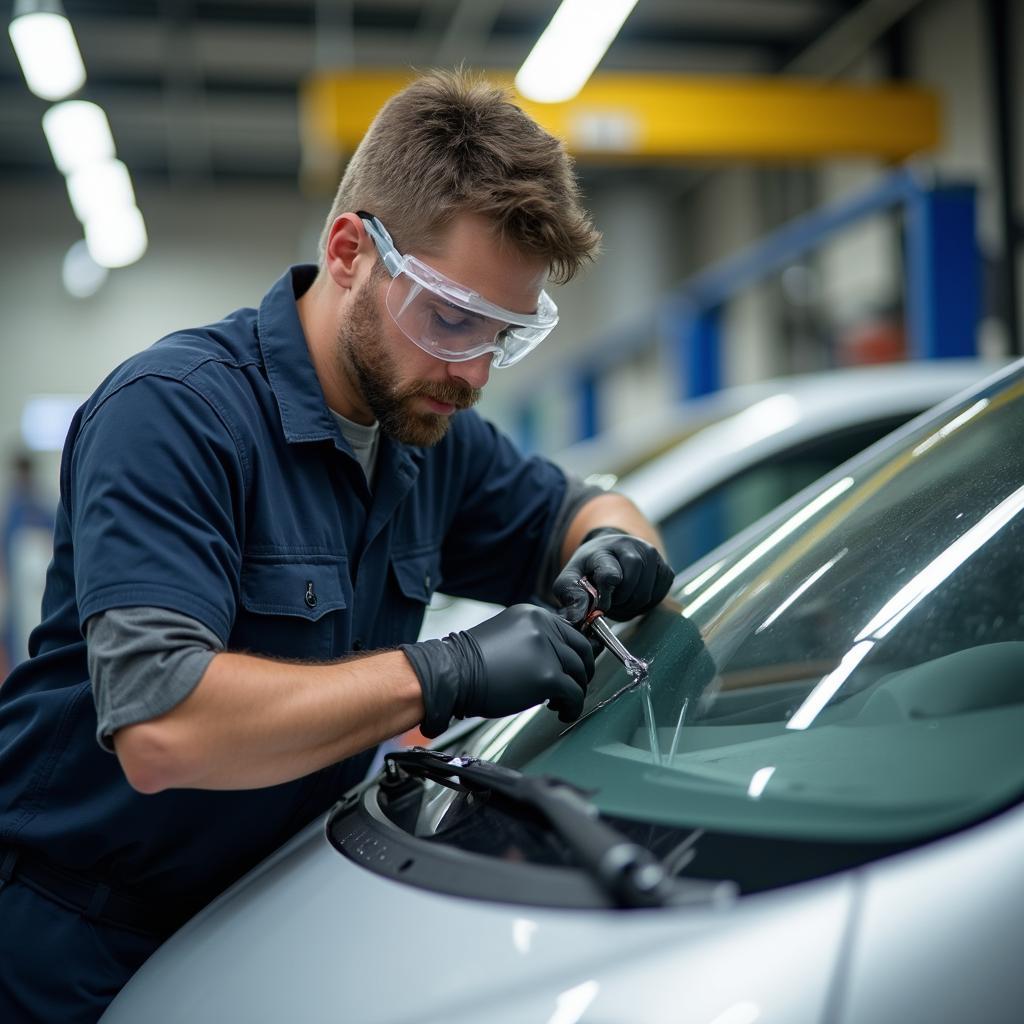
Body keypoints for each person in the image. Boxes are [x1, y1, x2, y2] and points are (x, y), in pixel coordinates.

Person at [0, 70, 673, 1021]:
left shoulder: (425, 426)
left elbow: (584, 506)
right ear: (351, 250)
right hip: (75, 941)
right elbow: (163, 726)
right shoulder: (176, 414)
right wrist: (445, 672)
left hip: (265, 911)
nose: (473, 370)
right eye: (449, 317)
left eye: (504, 334)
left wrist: (619, 546)